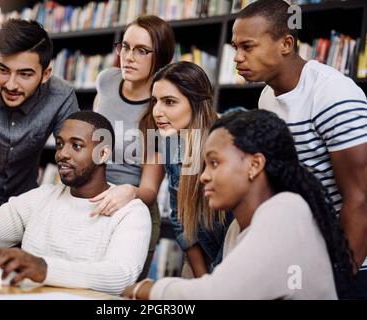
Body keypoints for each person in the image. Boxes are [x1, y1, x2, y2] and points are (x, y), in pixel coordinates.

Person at [124, 110, 355, 300]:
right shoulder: (237, 228)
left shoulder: (286, 210)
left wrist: (144, 289)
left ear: (254, 165)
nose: (203, 176)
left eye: (214, 162)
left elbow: (216, 294)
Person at [232, 0, 367, 298]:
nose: (237, 58)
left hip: (350, 262)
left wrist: (337, 281)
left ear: (286, 43)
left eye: (248, 47)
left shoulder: (333, 94)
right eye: (235, 48)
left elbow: (360, 199)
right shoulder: (267, 98)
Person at [0, 111, 151, 295]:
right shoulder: (41, 198)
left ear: (103, 154)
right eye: (60, 143)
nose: (62, 154)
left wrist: (43, 268)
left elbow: (120, 276)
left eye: (76, 145)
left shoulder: (131, 212)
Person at [0, 19, 79, 221]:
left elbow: (78, 152)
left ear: (45, 74)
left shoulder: (61, 96)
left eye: (24, 74)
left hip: (21, 213)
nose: (11, 84)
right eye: (3, 70)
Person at [92, 15, 175, 279]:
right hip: (93, 201)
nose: (129, 57)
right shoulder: (105, 81)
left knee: (118, 292)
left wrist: (127, 192)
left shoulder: (161, 108)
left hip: (134, 208)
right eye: (125, 47)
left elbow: (150, 190)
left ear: (159, 58)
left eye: (142, 51)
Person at [139, 61, 231, 277]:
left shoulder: (231, 141)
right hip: (201, 257)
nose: (157, 111)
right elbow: (181, 220)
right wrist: (202, 279)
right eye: (155, 101)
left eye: (169, 102)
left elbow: (239, 225)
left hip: (237, 256)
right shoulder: (171, 143)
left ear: (196, 103)